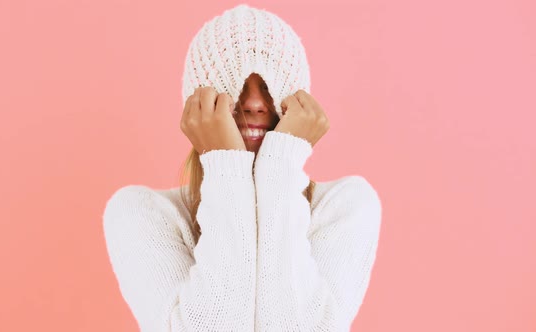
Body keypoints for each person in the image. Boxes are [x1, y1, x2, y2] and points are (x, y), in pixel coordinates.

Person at [103, 4, 382, 331]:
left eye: (268, 84)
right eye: (234, 83)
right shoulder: (141, 213)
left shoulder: (345, 205)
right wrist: (224, 165)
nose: (254, 102)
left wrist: (280, 167)